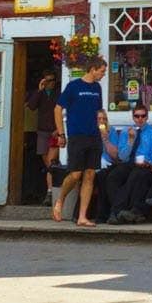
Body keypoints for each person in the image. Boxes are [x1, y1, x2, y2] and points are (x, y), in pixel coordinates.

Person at [53, 55, 107, 227]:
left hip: (94, 135)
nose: (103, 74)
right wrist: (62, 134)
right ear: (92, 69)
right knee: (76, 174)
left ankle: (83, 216)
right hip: (77, 135)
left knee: (90, 174)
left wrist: (104, 129)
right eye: (102, 71)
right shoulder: (73, 86)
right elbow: (58, 109)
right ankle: (60, 199)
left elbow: (99, 112)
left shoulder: (97, 88)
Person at [106, 106, 152, 225]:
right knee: (113, 177)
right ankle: (122, 211)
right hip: (129, 163)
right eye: (137, 116)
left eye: (143, 116)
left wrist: (150, 162)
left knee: (135, 176)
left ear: (147, 117)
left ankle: (116, 212)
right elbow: (123, 156)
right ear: (133, 117)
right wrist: (130, 141)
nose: (140, 119)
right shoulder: (125, 131)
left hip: (145, 165)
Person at [90, 111, 131, 224]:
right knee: (98, 176)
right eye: (99, 119)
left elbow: (115, 156)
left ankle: (104, 214)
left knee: (104, 177)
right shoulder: (90, 131)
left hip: (108, 164)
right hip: (92, 164)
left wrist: (105, 139)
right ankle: (102, 214)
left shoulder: (111, 131)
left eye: (104, 119)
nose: (102, 121)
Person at [25, 70, 59, 205]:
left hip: (55, 132)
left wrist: (58, 129)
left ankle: (50, 193)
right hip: (42, 131)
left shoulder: (58, 93)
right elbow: (32, 106)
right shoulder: (41, 94)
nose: (49, 83)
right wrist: (39, 91)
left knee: (51, 163)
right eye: (47, 80)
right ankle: (51, 190)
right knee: (47, 162)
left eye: (52, 80)